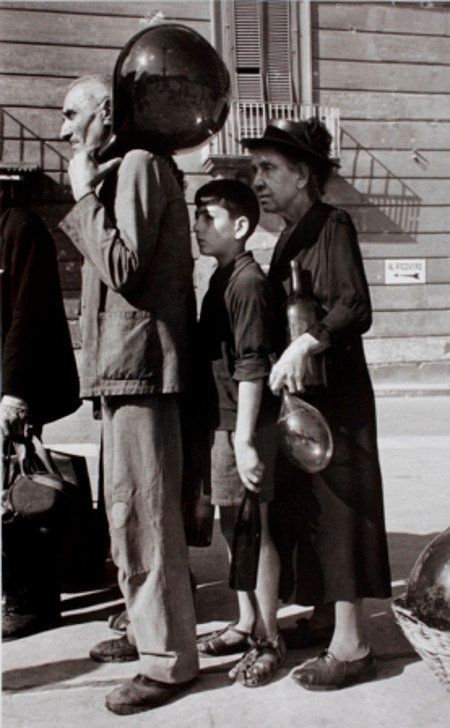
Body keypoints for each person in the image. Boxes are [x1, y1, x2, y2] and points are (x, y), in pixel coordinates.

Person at [59, 74, 198, 714]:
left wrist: (84, 195)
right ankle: (149, 634)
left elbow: (124, 268)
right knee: (125, 515)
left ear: (105, 115)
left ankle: (168, 663)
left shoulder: (138, 165)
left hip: (142, 370)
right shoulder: (128, 167)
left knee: (143, 518)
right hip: (124, 372)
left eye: (70, 115)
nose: (63, 129)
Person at [242, 118, 392, 690]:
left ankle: (353, 648)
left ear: (303, 174)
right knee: (314, 514)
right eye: (256, 169)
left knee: (342, 516)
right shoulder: (290, 234)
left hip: (339, 403)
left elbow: (355, 306)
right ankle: (330, 617)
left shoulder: (334, 223)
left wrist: (306, 342)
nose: (257, 179)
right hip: (308, 403)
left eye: (268, 169)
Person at [193, 179, 285, 687]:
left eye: (209, 216)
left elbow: (253, 364)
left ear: (242, 227)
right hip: (223, 421)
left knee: (255, 529)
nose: (198, 225)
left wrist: (246, 440)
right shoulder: (220, 276)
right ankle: (248, 620)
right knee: (234, 526)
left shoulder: (247, 282)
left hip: (241, 424)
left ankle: (270, 639)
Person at [1, 181, 80, 639]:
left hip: (10, 391)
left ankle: (33, 602)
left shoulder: (21, 227)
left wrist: (15, 392)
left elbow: (28, 316)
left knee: (20, 496)